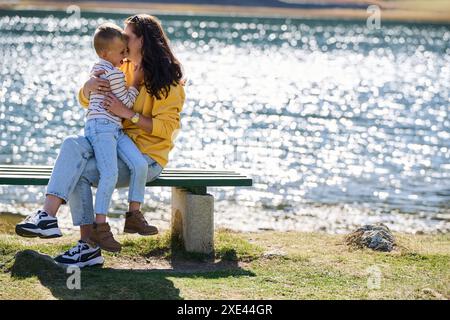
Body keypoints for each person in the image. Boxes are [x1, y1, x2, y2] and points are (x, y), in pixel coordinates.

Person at [15, 14, 185, 267]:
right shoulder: (121, 65)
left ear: (143, 41)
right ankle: (47, 216)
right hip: (113, 139)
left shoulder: (167, 82)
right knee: (72, 145)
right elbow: (88, 101)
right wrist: (88, 87)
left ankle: (88, 247)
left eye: (127, 36)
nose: (122, 39)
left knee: (80, 172)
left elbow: (167, 129)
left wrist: (128, 114)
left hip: (145, 158)